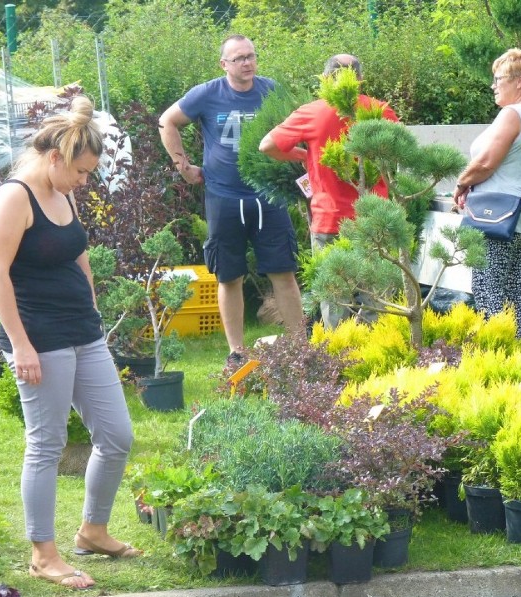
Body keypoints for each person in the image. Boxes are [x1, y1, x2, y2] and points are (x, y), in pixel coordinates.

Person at [0, 95, 140, 591]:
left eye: (89, 173)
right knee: (46, 445)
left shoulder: (64, 192)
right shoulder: (14, 196)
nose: (84, 181)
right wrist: (21, 345)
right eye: (81, 171)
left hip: (83, 331)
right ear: (54, 157)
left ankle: (93, 530)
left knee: (117, 436)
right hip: (40, 337)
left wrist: (92, 302)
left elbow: (79, 254)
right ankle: (43, 554)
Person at [158, 34, 304, 366]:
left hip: (268, 195)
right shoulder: (207, 94)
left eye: (251, 56)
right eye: (239, 58)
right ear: (224, 64)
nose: (247, 63)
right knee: (229, 276)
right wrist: (183, 167)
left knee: (283, 271)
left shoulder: (271, 90)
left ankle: (301, 349)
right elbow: (167, 121)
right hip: (223, 198)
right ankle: (236, 352)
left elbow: (298, 126)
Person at [258, 54, 399, 329]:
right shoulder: (379, 110)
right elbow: (398, 154)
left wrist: (303, 154)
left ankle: (337, 360)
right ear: (359, 80)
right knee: (375, 299)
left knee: (335, 298)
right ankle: (376, 358)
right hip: (373, 218)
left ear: (324, 79)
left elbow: (267, 145)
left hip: (329, 219)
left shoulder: (311, 112)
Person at [453, 48, 521, 347]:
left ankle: (495, 355)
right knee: (519, 287)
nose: (494, 85)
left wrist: (461, 184)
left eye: (499, 79)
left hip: (495, 218)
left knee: (488, 288)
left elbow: (485, 163)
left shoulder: (512, 114)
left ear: (519, 81)